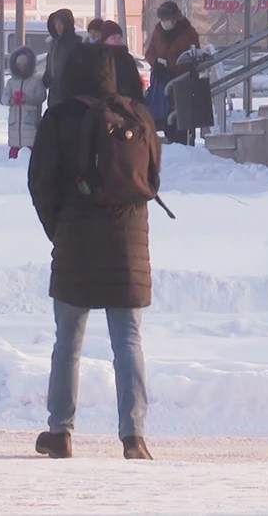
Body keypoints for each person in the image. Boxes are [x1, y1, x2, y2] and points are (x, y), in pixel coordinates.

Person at [28, 43, 157, 461]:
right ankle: (134, 435)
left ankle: (60, 432)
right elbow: (152, 179)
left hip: (76, 244)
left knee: (68, 342)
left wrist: (58, 230)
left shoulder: (60, 118)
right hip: (129, 248)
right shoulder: (137, 117)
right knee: (129, 341)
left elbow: (40, 183)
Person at [145, 1, 201, 145]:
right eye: (162, 20)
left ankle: (184, 146)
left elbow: (194, 58)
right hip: (162, 83)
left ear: (175, 18)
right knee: (164, 120)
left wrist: (172, 65)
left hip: (181, 85)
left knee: (181, 123)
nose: (164, 23)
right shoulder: (158, 31)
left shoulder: (189, 33)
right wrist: (155, 62)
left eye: (167, 19)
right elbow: (150, 52)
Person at [1, 46, 46, 160]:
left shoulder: (36, 81)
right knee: (14, 149)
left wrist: (26, 99)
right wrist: (10, 100)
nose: (21, 67)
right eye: (18, 65)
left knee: (31, 148)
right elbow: (4, 97)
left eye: (23, 64)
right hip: (15, 123)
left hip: (31, 121)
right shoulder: (11, 82)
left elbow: (41, 96)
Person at [42, 9, 82, 108]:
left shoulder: (76, 43)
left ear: (67, 25)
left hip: (70, 94)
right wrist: (47, 77)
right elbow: (51, 64)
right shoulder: (54, 44)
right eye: (55, 24)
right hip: (55, 93)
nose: (58, 27)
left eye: (61, 24)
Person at [99, 20, 146, 103]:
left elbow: (135, 80)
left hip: (129, 100)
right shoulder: (100, 57)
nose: (117, 40)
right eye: (113, 38)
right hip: (106, 101)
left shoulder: (127, 57)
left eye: (119, 37)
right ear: (105, 40)